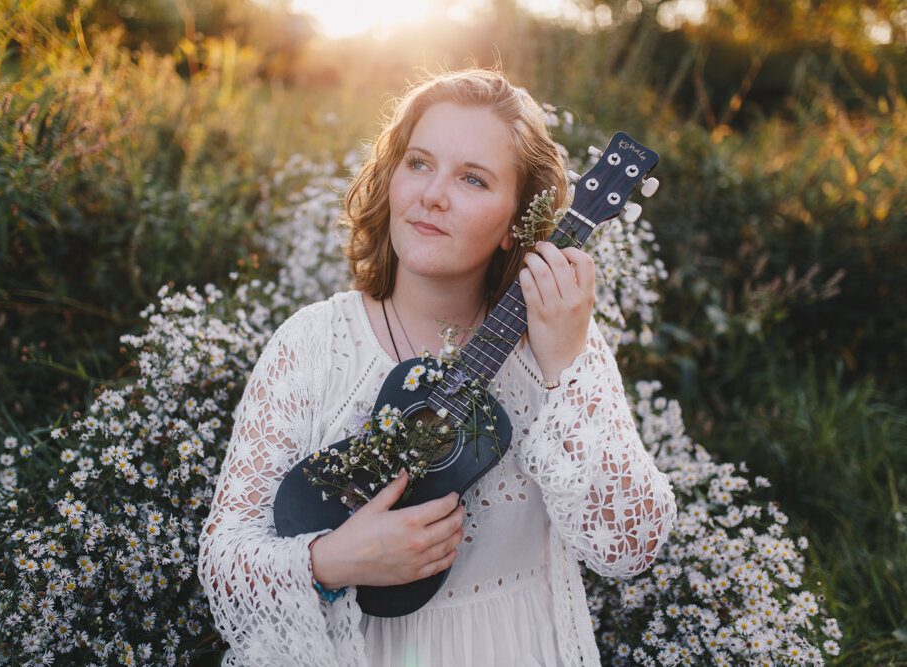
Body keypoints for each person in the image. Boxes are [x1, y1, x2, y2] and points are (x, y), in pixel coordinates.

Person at [198, 68, 676, 666]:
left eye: (472, 179)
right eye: (419, 163)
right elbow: (225, 562)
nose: (432, 195)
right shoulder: (313, 345)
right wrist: (335, 560)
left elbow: (628, 548)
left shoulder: (561, 345)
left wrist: (564, 364)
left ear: (516, 223)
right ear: (392, 177)